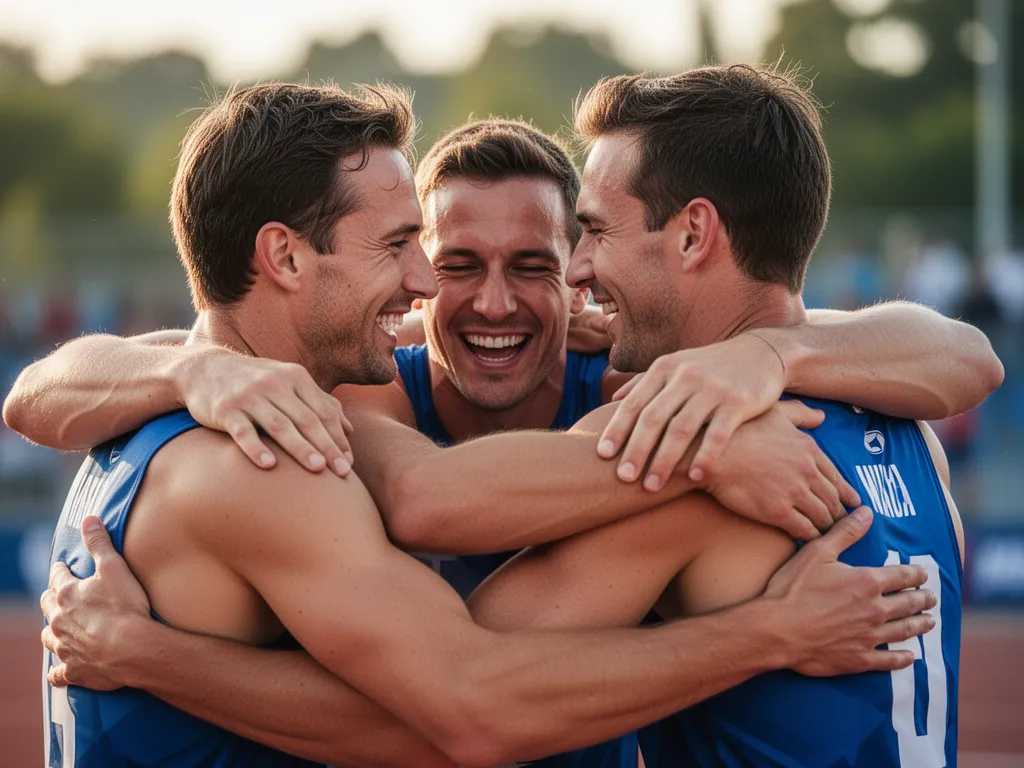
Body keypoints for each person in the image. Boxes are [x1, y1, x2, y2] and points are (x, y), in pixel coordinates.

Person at [10, 98, 999, 765]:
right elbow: (38, 392)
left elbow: (961, 351)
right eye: (431, 257)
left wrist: (763, 366)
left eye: (547, 259)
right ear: (284, 256)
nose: (489, 297)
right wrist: (191, 363)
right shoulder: (302, 415)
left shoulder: (658, 384)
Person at [467, 64, 979, 766]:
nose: (576, 268)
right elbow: (965, 353)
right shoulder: (913, 431)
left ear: (692, 233)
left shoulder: (694, 458)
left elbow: (463, 680)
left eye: (593, 230)